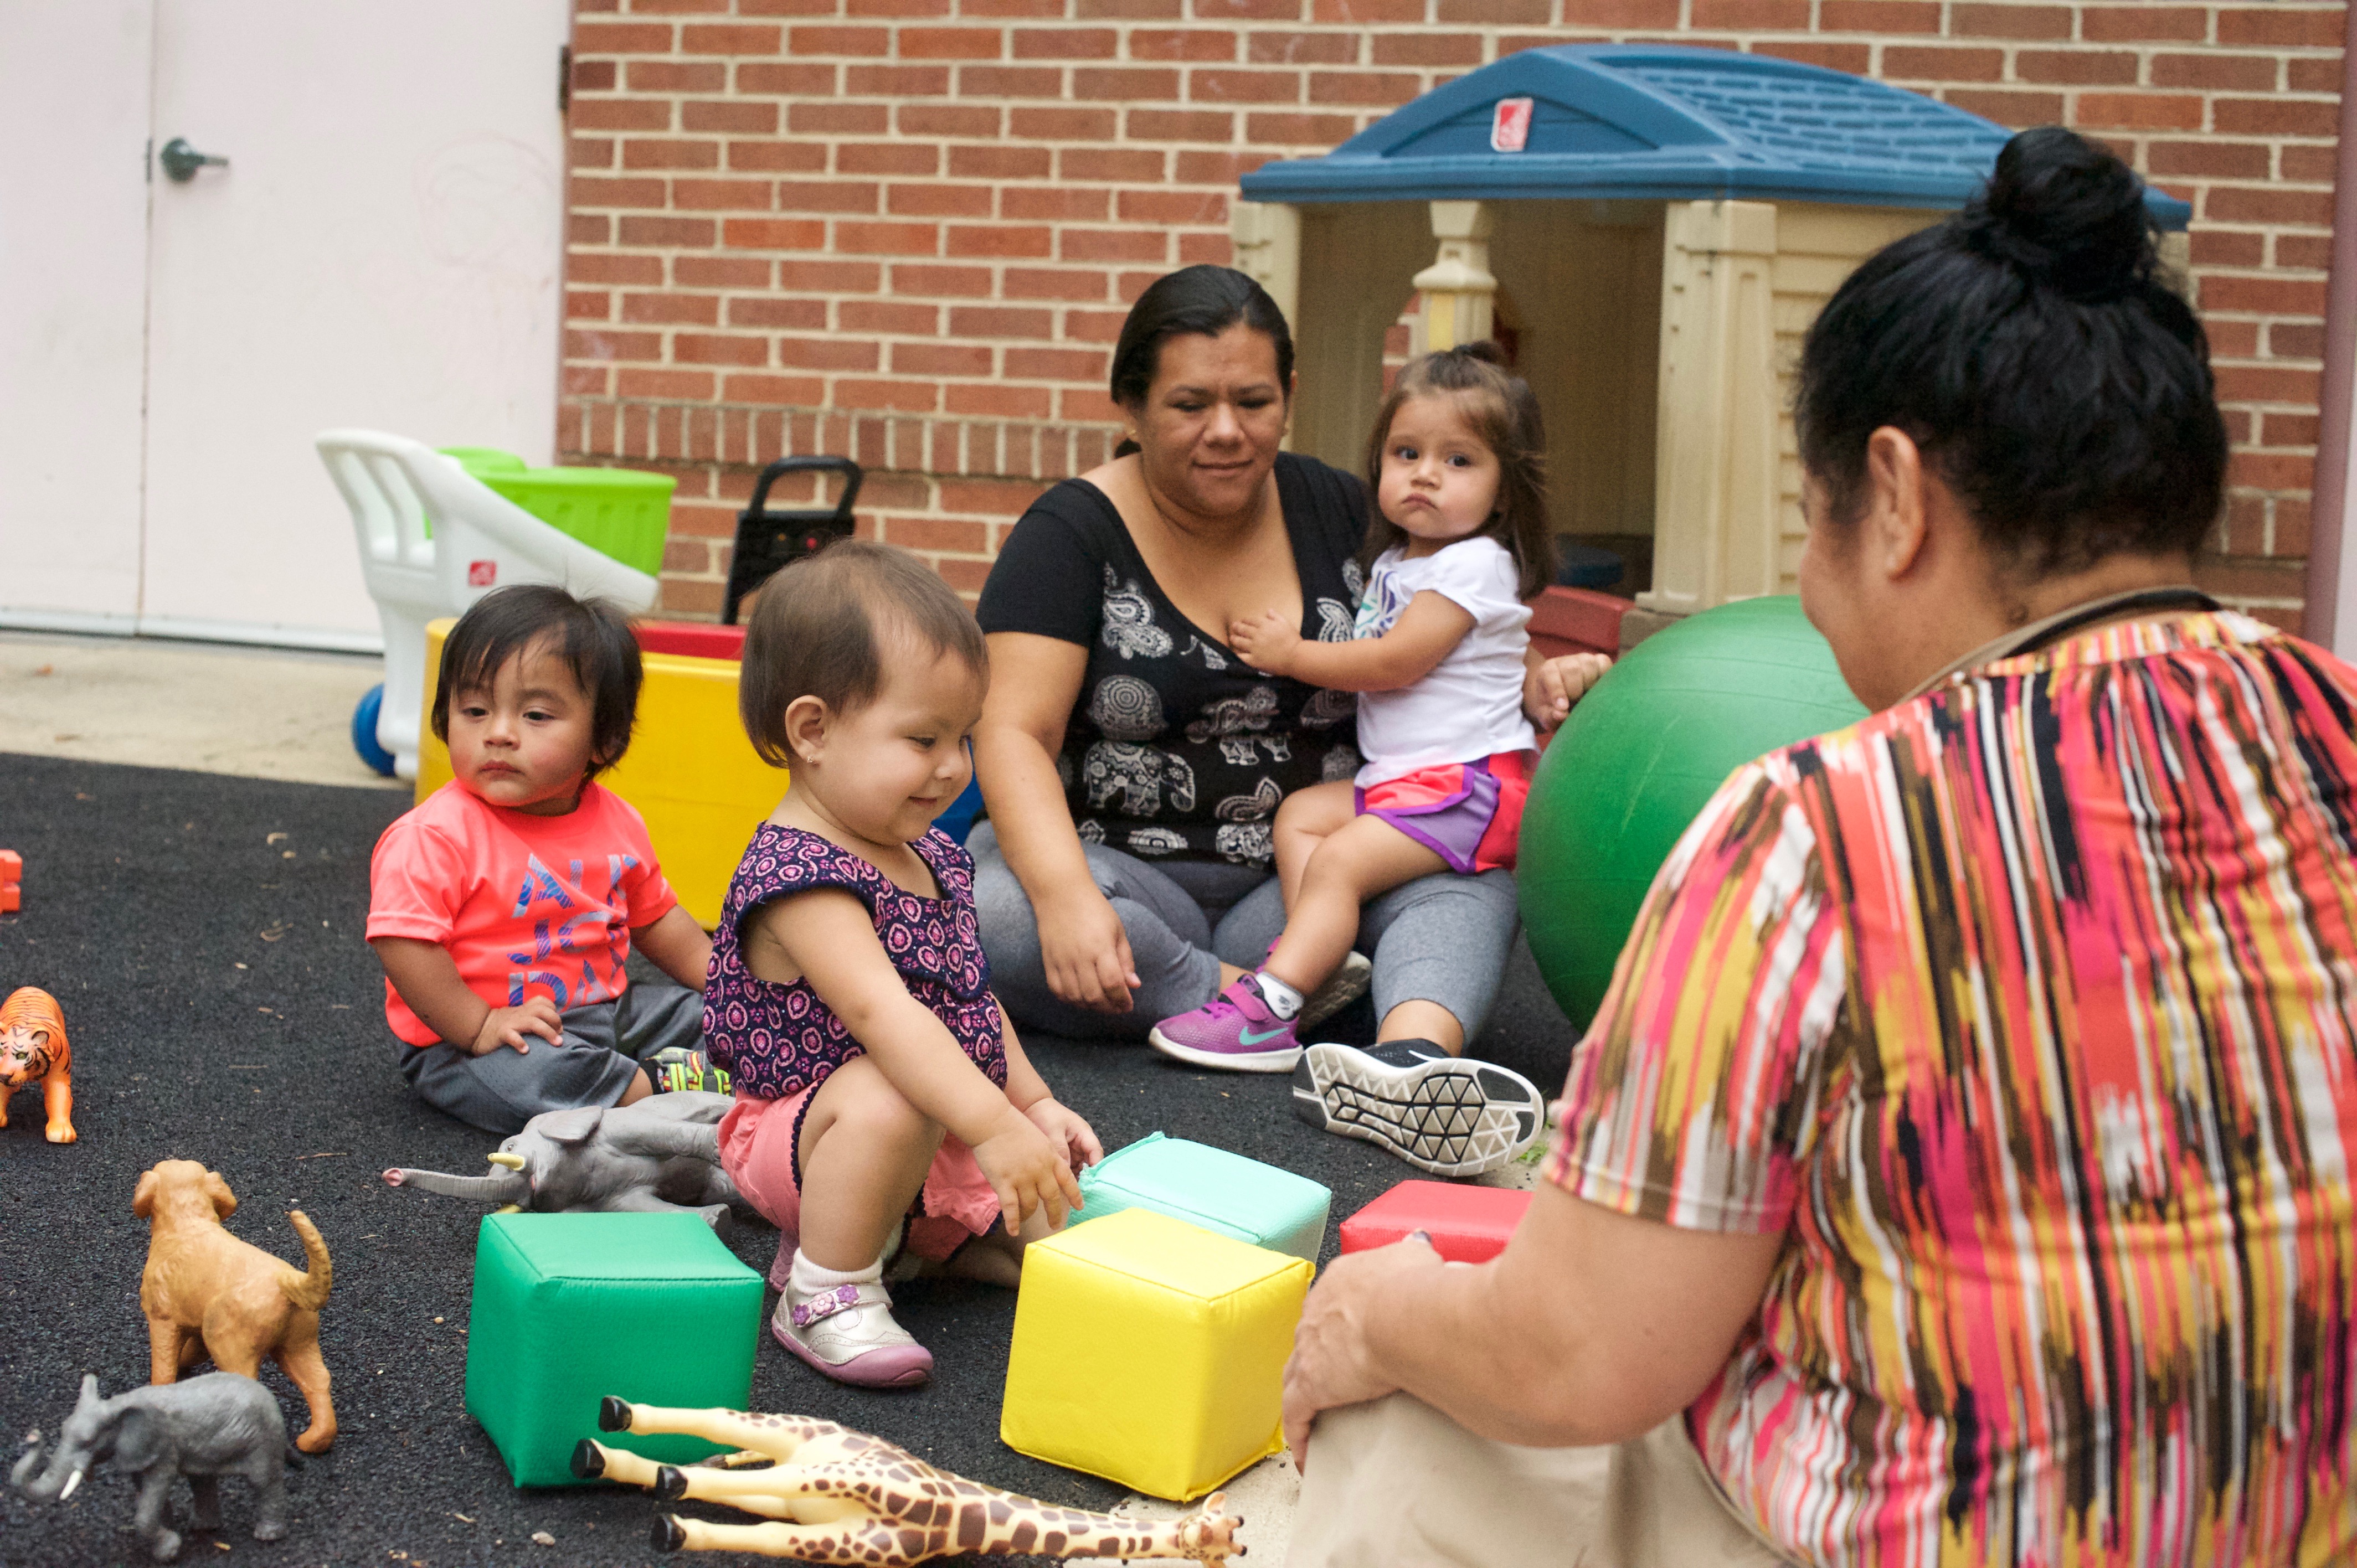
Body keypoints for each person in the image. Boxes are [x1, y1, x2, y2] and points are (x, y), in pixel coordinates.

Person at [1280, 126, 2357, 1566]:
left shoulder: (1819, 831)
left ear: (1897, 498)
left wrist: (1377, 1309)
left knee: (1394, 1403)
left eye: (1814, 515)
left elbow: (1577, 1358)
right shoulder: (2333, 727)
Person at [972, 264, 1601, 1178]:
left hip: (1304, 887)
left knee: (1465, 860)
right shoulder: (1069, 534)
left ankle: (1407, 1059)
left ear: (1289, 398)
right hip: (1129, 886)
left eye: (1253, 401)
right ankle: (1253, 1002)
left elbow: (1453, 634)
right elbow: (1009, 732)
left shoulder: (1345, 508)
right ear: (1131, 404)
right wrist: (1068, 899)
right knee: (995, 902)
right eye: (1189, 404)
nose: (1225, 430)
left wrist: (1544, 679)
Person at [703, 540, 1103, 1390]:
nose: (954, 767)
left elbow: (967, 998)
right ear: (812, 731)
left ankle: (922, 1251)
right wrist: (995, 1127)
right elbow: (888, 1018)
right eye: (924, 738)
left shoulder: (926, 854)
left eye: (964, 737)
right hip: (812, 1137)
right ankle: (824, 1287)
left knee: (1069, 1242)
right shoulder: (801, 876)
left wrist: (1030, 1103)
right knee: (889, 1090)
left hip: (929, 1127)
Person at [1147, 346, 1568, 1123]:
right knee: (1302, 816)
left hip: (1470, 782)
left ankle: (1270, 1006)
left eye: (1459, 460)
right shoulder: (1402, 562)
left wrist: (1291, 654)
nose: (1425, 475)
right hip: (1406, 779)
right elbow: (1493, 651)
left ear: (1506, 489)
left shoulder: (1475, 563)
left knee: (1338, 860)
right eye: (1406, 454)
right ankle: (1321, 956)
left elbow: (1398, 662)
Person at [367, 585, 715, 1136]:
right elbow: (404, 943)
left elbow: (659, 922)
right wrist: (477, 1023)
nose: (499, 734)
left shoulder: (617, 820)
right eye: (475, 710)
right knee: (534, 1078)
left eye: (534, 714)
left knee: (710, 1015)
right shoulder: (433, 836)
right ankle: (662, 1090)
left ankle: (695, 1072)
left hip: (607, 1011)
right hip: (477, 1041)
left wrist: (731, 988)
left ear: (604, 739)